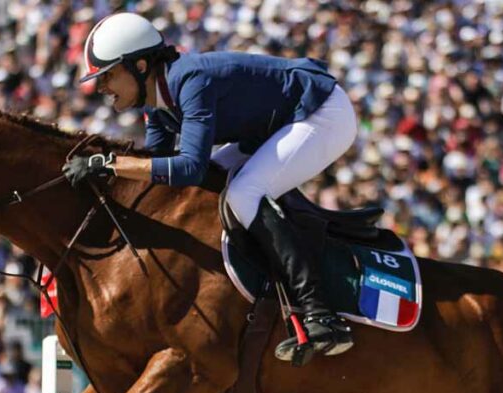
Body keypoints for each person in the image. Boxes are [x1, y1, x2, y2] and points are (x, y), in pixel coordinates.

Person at [63, 12, 357, 364]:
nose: (101, 87)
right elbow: (160, 166)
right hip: (277, 124)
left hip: (322, 113)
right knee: (214, 185)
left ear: (140, 65)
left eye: (108, 74)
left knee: (243, 193)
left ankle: (319, 312)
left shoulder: (191, 80)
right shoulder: (156, 103)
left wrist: (111, 164)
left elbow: (188, 167)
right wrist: (109, 172)